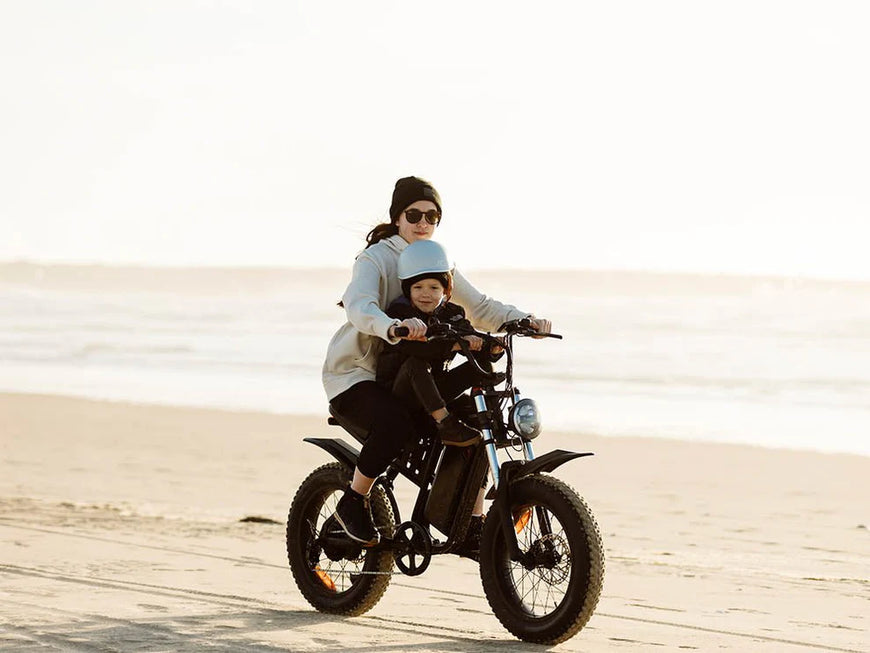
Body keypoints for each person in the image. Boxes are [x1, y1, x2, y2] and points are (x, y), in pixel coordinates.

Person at [322, 175, 552, 550]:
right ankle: (352, 501)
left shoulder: (435, 262)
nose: (423, 224)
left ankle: (472, 522)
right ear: (398, 217)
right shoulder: (376, 258)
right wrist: (393, 326)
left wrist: (524, 320)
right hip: (357, 376)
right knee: (393, 424)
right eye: (414, 215)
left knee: (480, 418)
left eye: (432, 217)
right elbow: (359, 306)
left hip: (410, 377)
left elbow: (479, 308)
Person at [377, 240, 504, 447]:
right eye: (417, 287)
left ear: (445, 291)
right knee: (416, 363)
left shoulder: (453, 313)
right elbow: (417, 348)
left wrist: (491, 348)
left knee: (483, 367)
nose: (425, 293)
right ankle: (446, 424)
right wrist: (455, 345)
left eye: (434, 287)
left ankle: (489, 416)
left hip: (433, 388)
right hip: (401, 392)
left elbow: (471, 339)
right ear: (408, 290)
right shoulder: (399, 313)